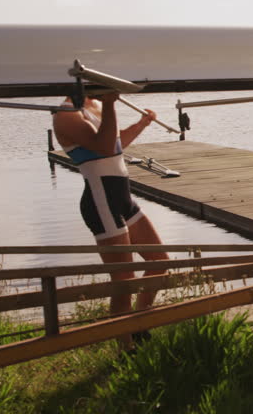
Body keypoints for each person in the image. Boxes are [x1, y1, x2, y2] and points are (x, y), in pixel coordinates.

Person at [52, 91, 169, 348]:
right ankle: (125, 347)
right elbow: (103, 146)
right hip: (100, 198)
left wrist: (141, 123)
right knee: (123, 280)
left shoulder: (93, 104)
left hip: (121, 197)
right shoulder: (65, 115)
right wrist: (109, 104)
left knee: (159, 260)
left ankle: (139, 324)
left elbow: (115, 143)